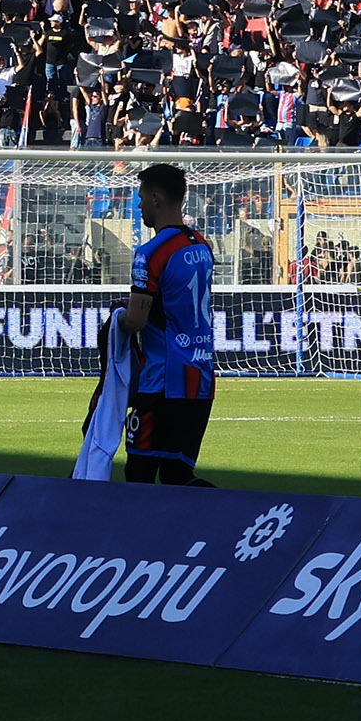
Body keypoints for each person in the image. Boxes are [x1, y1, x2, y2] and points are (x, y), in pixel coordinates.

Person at [117, 162, 217, 485]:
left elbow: (135, 321)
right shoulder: (201, 245)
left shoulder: (152, 252)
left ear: (156, 199)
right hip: (200, 379)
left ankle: (235, 508)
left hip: (163, 382)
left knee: (139, 475)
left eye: (141, 198)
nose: (139, 206)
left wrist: (118, 317)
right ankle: (230, 512)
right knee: (178, 476)